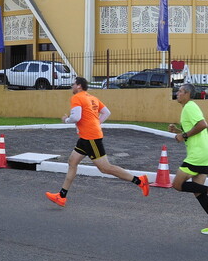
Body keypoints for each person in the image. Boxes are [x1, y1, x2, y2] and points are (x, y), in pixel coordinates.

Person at [45, 76, 149, 207]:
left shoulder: (77, 97)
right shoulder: (92, 98)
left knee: (105, 168)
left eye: (73, 84)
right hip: (85, 138)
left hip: (90, 138)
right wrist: (95, 123)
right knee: (72, 162)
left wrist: (66, 120)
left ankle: (139, 181)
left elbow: (76, 117)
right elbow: (106, 113)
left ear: (79, 86)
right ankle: (62, 196)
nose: (72, 86)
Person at [168, 83, 208, 235]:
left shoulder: (190, 107)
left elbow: (202, 124)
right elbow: (193, 129)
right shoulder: (187, 108)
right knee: (198, 191)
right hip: (204, 152)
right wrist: (178, 131)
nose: (177, 93)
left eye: (180, 91)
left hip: (198, 154)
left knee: (177, 184)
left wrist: (184, 135)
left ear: (187, 94)